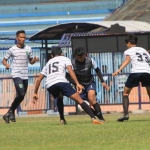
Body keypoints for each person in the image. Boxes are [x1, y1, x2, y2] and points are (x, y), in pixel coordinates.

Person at [33, 47, 103, 125]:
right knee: (80, 100)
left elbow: (39, 79)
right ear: (61, 53)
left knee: (60, 97)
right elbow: (70, 70)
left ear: (52, 55)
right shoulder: (65, 59)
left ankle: (62, 119)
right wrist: (77, 83)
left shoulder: (48, 62)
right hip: (61, 82)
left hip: (49, 84)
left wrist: (35, 93)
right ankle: (93, 118)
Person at [63, 47, 109, 122]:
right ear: (76, 56)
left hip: (89, 82)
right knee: (81, 107)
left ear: (85, 55)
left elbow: (97, 70)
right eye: (78, 57)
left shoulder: (90, 60)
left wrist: (102, 81)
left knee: (91, 98)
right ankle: (95, 115)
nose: (80, 59)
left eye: (82, 56)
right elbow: (67, 75)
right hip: (79, 86)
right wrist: (76, 84)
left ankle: (101, 118)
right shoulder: (72, 63)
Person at [2, 30, 39, 123]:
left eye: (24, 37)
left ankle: (9, 112)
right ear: (17, 38)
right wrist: (6, 65)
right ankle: (11, 112)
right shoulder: (12, 49)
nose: (23, 39)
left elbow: (31, 61)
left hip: (25, 75)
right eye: (21, 37)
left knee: (21, 96)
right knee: (21, 93)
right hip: (17, 74)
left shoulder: (28, 49)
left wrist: (34, 60)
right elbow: (4, 60)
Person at [112, 34, 150, 122]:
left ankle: (126, 114)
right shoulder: (144, 50)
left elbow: (127, 60)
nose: (126, 45)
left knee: (125, 93)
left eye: (126, 43)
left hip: (136, 72)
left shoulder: (129, 51)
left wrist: (119, 70)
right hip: (147, 72)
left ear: (129, 43)